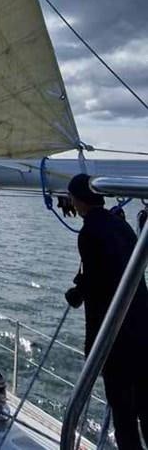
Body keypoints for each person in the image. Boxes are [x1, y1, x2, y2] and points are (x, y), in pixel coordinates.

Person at [65, 173, 148, 450]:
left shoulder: (89, 233)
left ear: (78, 201)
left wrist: (78, 293)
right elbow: (122, 272)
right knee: (146, 408)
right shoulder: (121, 226)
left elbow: (99, 283)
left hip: (117, 341)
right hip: (142, 330)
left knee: (123, 415)